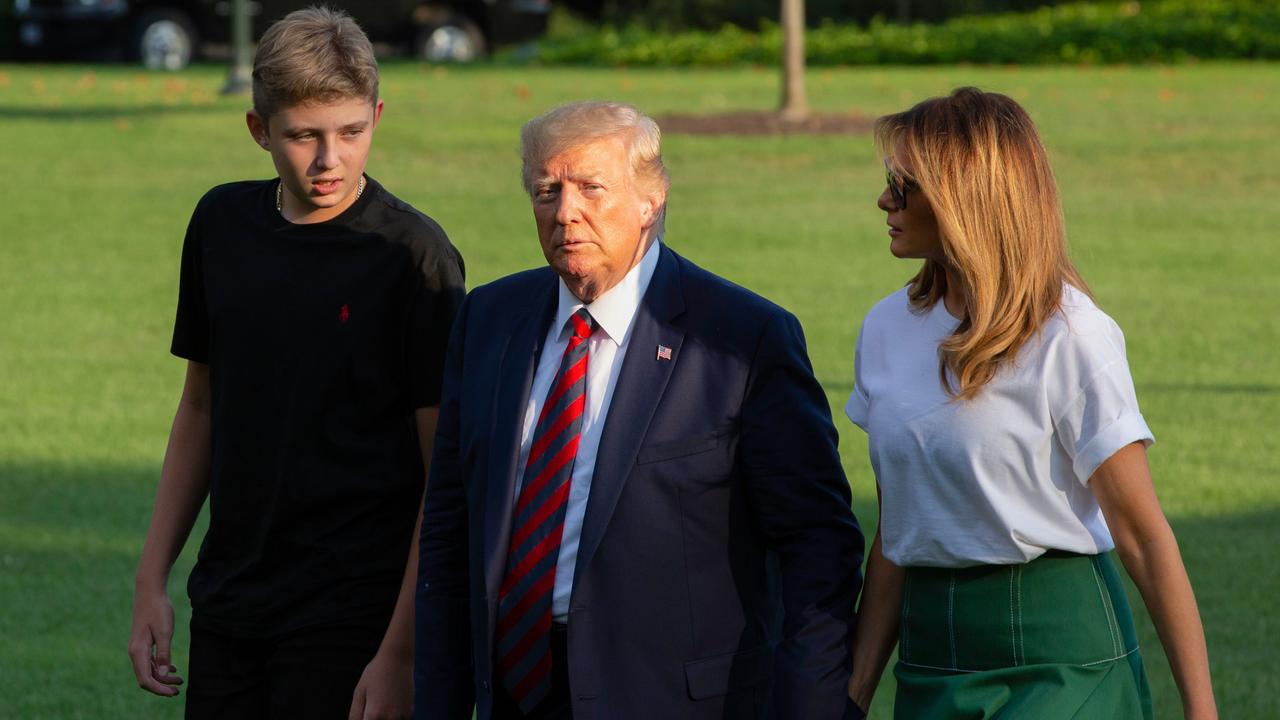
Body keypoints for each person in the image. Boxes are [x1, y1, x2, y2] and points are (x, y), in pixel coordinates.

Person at [413, 100, 865, 720]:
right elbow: (449, 526)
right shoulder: (490, 321)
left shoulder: (742, 338)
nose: (565, 212)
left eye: (590, 189)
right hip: (514, 693)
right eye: (547, 191)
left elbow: (818, 549)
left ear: (650, 201)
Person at [126, 7, 465, 718]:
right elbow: (200, 408)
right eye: (303, 136)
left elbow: (446, 480)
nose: (328, 160)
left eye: (351, 133)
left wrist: (400, 653)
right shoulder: (221, 224)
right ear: (258, 130)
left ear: (377, 114)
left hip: (354, 618)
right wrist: (152, 579)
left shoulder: (415, 259)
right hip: (230, 604)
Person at [843, 87, 1217, 719]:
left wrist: (1202, 713)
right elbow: (896, 534)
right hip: (932, 660)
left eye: (903, 185)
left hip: (1061, 659)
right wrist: (850, 697)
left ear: (965, 199)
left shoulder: (1071, 336)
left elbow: (1143, 537)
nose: (884, 200)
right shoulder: (885, 328)